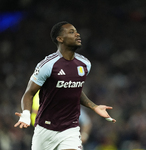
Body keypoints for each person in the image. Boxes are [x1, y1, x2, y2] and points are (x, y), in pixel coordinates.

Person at [14, 21, 116, 150]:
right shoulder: (48, 65)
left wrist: (94, 107)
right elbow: (29, 94)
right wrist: (26, 115)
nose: (77, 34)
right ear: (60, 39)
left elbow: (74, 89)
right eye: (71, 32)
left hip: (70, 129)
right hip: (45, 129)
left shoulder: (85, 64)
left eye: (76, 31)